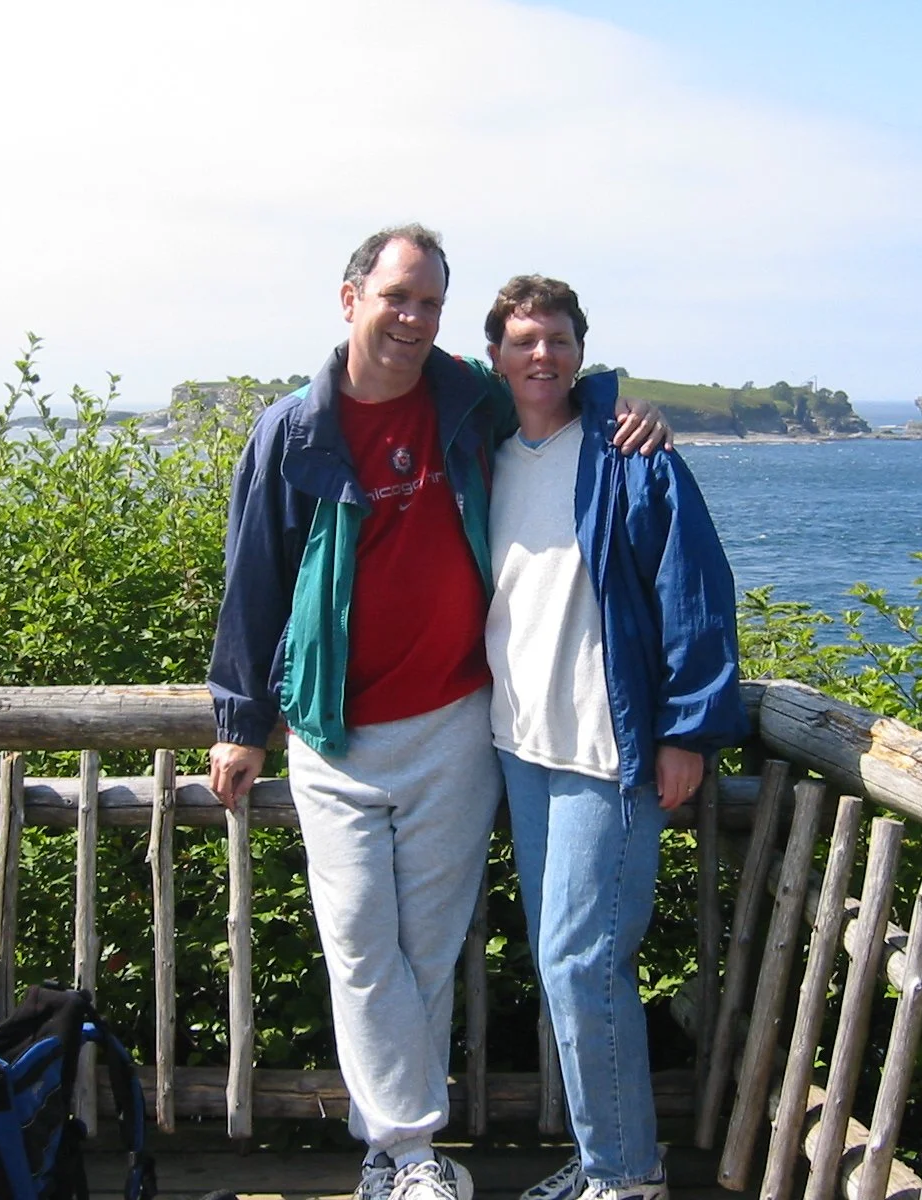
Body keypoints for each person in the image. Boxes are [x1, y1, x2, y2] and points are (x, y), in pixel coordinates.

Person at [207, 225, 668, 1200]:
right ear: (350, 300)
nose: (413, 318)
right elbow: (253, 577)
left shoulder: (464, 400)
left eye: (429, 302)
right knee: (362, 946)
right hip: (333, 733)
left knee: (423, 945)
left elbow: (554, 379)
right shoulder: (295, 430)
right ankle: (407, 1151)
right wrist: (239, 720)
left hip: (457, 723)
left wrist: (628, 409)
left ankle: (403, 1154)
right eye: (397, 297)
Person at [481, 276, 748, 1200]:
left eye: (556, 339)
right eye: (522, 342)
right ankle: (609, 1160)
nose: (540, 356)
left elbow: (695, 593)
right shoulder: (488, 456)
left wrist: (689, 731)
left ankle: (627, 1176)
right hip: (522, 746)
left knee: (580, 960)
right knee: (567, 962)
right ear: (496, 359)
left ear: (581, 350)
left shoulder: (636, 457)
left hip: (612, 753)